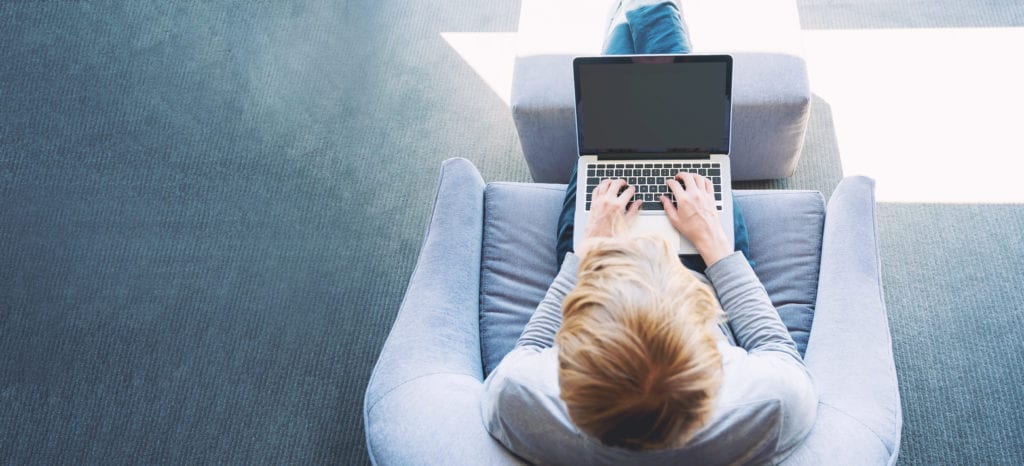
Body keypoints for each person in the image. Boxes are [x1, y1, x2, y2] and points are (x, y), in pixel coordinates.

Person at [480, 1, 818, 464]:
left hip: (598, 257)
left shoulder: (518, 398)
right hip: (705, 263)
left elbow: (532, 348)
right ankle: (650, 10)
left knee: (609, 146)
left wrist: (591, 249)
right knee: (689, 140)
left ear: (570, 378)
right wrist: (716, 251)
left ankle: (632, 15)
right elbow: (777, 348)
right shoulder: (772, 406)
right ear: (710, 365)